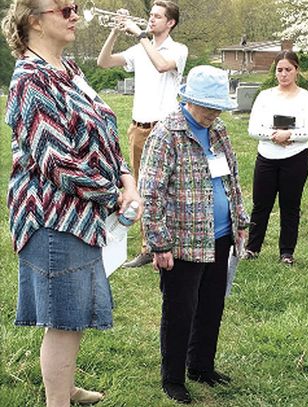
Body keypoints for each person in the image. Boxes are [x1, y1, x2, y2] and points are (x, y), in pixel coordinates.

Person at [1, 1, 142, 406]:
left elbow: (104, 125)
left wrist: (127, 178)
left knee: (76, 310)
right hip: (52, 218)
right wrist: (114, 194)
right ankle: (57, 400)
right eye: (65, 9)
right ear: (34, 20)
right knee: (63, 320)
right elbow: (55, 161)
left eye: (76, 7)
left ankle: (63, 385)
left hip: (84, 213)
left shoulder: (69, 70)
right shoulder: (30, 79)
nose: (75, 15)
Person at [138, 65, 249, 404]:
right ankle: (173, 378)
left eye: (217, 107)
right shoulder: (165, 134)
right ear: (187, 99)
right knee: (180, 310)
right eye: (207, 106)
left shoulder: (219, 130)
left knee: (212, 304)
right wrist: (159, 242)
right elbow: (150, 191)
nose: (213, 113)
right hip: (182, 241)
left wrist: (240, 222)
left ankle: (201, 365)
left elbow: (231, 179)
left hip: (220, 235)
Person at [97, 0, 188, 268]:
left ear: (170, 22)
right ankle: (148, 247)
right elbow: (103, 62)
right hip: (139, 128)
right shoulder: (140, 48)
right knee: (140, 189)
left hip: (165, 128)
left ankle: (173, 242)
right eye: (150, 15)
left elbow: (161, 65)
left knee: (168, 188)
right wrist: (115, 29)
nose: (151, 20)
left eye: (158, 17)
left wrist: (139, 34)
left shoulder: (178, 49)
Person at [244, 50, 308, 265]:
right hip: (267, 156)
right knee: (261, 204)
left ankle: (286, 252)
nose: (283, 74)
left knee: (290, 205)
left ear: (296, 70)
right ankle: (252, 248)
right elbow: (253, 128)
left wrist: (291, 135)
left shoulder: (306, 98)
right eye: (279, 70)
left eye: (288, 69)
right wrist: (274, 135)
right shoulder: (265, 96)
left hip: (295, 157)